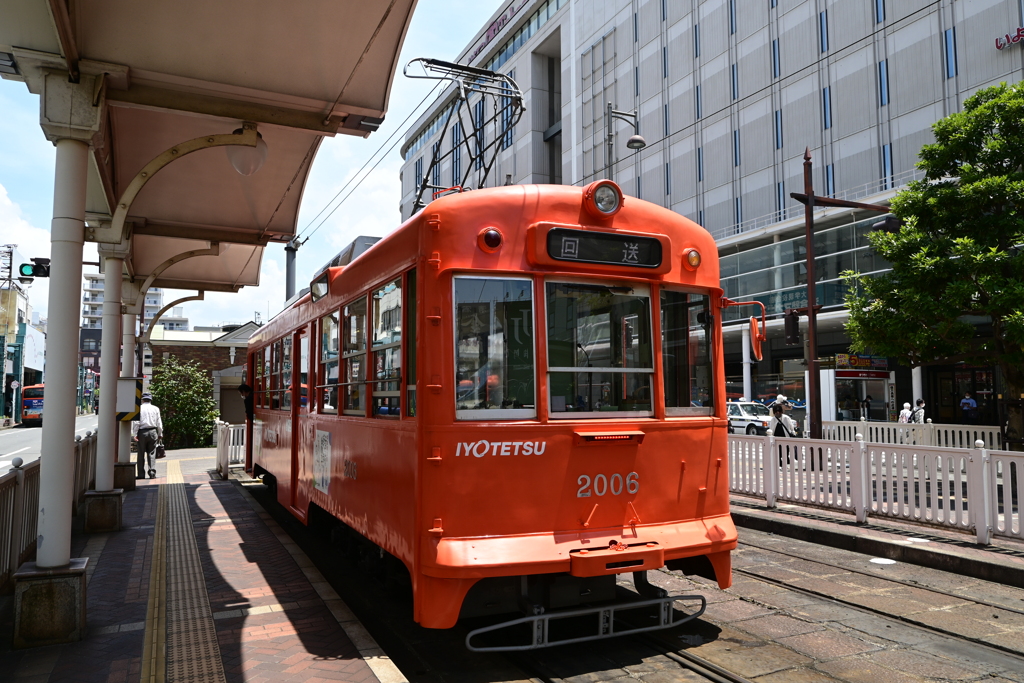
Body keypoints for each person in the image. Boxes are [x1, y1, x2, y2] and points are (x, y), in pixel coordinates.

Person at [132, 393, 163, 479]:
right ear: (150, 399)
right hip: (153, 431)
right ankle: (152, 472)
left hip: (142, 432)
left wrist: (135, 434)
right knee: (152, 453)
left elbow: (136, 422)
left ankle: (141, 474)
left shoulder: (139, 408)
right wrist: (160, 433)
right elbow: (159, 422)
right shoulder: (155, 408)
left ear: (142, 399)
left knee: (140, 454)